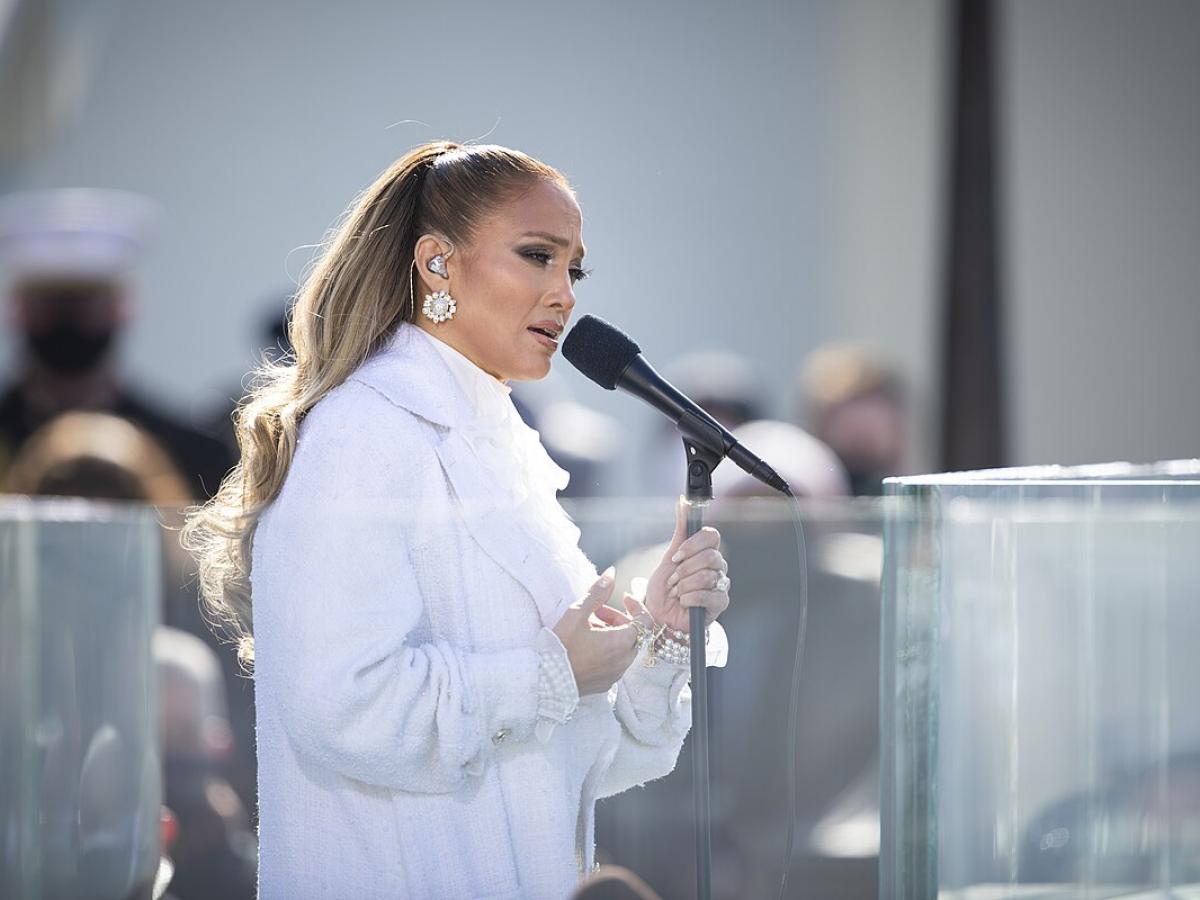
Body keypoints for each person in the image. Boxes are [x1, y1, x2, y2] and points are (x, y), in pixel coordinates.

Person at [181, 141, 733, 899]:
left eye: (573, 270)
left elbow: (568, 758)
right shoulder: (363, 433)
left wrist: (660, 635)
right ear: (437, 263)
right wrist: (551, 672)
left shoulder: (498, 444)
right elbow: (341, 705)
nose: (564, 294)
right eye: (537, 256)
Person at [0, 188, 235, 499]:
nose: (68, 320)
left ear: (122, 307)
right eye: (53, 303)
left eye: (85, 302)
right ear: (18, 308)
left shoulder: (195, 456)